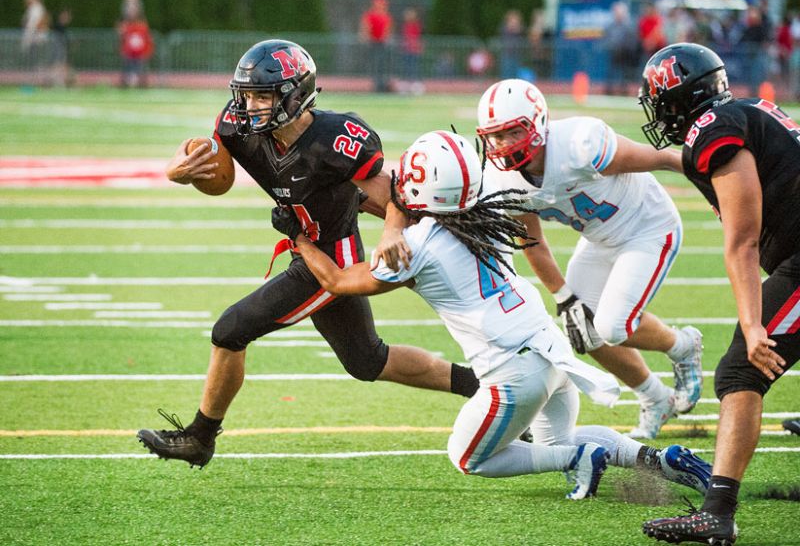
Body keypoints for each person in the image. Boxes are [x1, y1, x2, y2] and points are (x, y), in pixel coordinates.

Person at [283, 128, 712, 499]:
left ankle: (580, 457)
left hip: (512, 372)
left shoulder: (417, 249)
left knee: (468, 456)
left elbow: (339, 282)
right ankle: (660, 460)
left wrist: (301, 241)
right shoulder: (485, 214)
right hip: (550, 354)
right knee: (553, 443)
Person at [136, 40, 482, 467]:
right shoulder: (238, 126)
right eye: (246, 94)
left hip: (329, 261)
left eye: (263, 94)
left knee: (230, 331)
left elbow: (394, 192)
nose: (251, 105)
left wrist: (392, 232)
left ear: (295, 95)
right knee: (366, 360)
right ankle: (483, 387)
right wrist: (181, 172)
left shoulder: (334, 138)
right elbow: (218, 179)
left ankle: (200, 437)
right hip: (311, 249)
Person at [475, 79, 704, 440]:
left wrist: (719, 187)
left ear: (537, 123)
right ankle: (655, 397)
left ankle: (683, 345)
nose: (501, 145)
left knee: (613, 325)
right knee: (582, 328)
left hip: (647, 227)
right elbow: (531, 242)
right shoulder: (500, 180)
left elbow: (662, 158)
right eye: (494, 136)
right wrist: (563, 296)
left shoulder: (580, 144)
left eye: (510, 132)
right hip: (599, 240)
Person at [638, 42, 800, 545]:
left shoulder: (716, 130)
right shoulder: (740, 113)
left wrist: (753, 326)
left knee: (740, 369)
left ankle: (718, 512)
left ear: (677, 98)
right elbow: (673, 158)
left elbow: (743, 241)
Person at [604, 1, 639, 96]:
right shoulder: (610, 26)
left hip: (625, 53)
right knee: (611, 72)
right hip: (614, 52)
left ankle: (623, 90)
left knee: (624, 73)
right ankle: (609, 90)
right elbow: (607, 38)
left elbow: (632, 41)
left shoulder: (628, 26)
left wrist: (626, 49)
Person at [359, 0, 393, 93]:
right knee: (376, 64)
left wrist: (386, 38)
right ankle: (377, 83)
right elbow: (366, 26)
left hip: (381, 43)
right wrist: (365, 36)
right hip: (373, 42)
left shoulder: (385, 16)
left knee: (381, 64)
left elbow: (388, 29)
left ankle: (381, 83)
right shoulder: (371, 15)